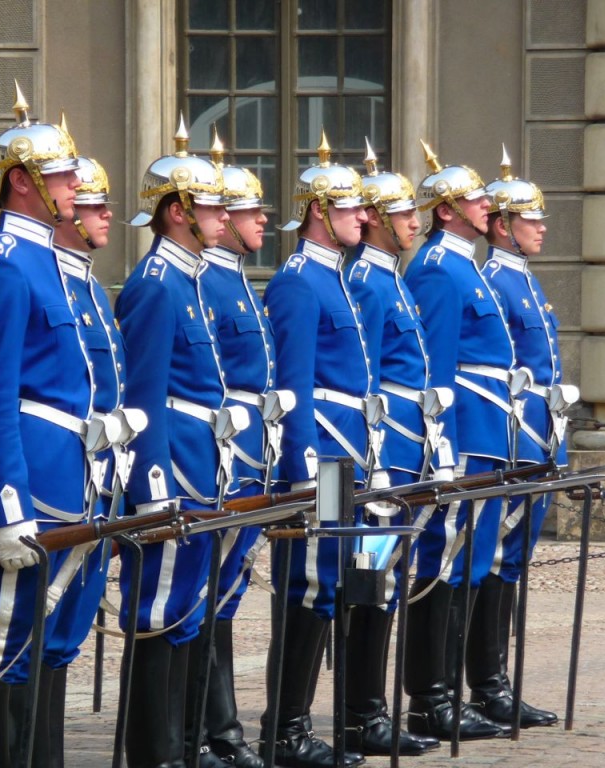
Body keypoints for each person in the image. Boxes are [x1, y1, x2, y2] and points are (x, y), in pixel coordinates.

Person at [0, 83, 89, 767]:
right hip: (24, 485)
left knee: (32, 647)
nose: (73, 184)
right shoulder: (4, 266)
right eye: (61, 174)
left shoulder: (45, 261)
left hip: (58, 477)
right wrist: (8, 506)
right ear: (24, 184)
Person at [115, 116, 232, 768]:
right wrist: (152, 488)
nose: (222, 216)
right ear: (180, 211)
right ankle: (154, 753)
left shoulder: (188, 278)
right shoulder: (157, 284)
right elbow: (145, 399)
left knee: (186, 611)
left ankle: (184, 747)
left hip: (203, 465)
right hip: (175, 471)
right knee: (157, 614)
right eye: (211, 205)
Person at [259, 130, 370, 768]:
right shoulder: (300, 283)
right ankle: (286, 728)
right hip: (322, 461)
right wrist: (303, 472)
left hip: (349, 458)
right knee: (310, 584)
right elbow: (294, 387)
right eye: (352, 207)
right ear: (320, 213)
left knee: (342, 584)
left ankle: (315, 720)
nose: (363, 217)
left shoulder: (338, 279)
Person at [401, 142, 514, 742]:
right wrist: (438, 443)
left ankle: (454, 690)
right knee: (441, 562)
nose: (485, 204)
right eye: (473, 198)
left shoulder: (466, 263)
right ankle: (431, 696)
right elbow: (437, 367)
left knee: (469, 563)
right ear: (445, 209)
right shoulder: (438, 268)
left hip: (489, 426)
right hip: (463, 425)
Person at [342, 140, 447, 757]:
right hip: (370, 463)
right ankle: (359, 712)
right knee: (361, 582)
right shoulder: (368, 282)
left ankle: (369, 708)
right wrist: (377, 462)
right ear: (376, 218)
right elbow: (366, 382)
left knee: (382, 583)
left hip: (401, 458)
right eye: (406, 212)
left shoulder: (392, 280)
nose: (417, 221)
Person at [190, 131, 278, 768]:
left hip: (264, 457)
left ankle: (227, 727)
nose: (256, 220)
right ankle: (219, 729)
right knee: (205, 596)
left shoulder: (241, 282)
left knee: (231, 593)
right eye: (245, 211)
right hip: (228, 457)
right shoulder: (209, 284)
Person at [477, 146, 570, 729]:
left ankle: (495, 680)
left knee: (512, 560)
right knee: (490, 557)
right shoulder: (494, 280)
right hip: (511, 438)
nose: (541, 228)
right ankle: (484, 683)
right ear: (502, 226)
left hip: (540, 436)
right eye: (530, 219)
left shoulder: (527, 282)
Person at [42, 153, 131, 766]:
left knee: (62, 637)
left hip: (95, 474)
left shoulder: (93, 286)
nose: (104, 215)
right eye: (94, 205)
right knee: (14, 641)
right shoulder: (26, 273)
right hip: (50, 476)